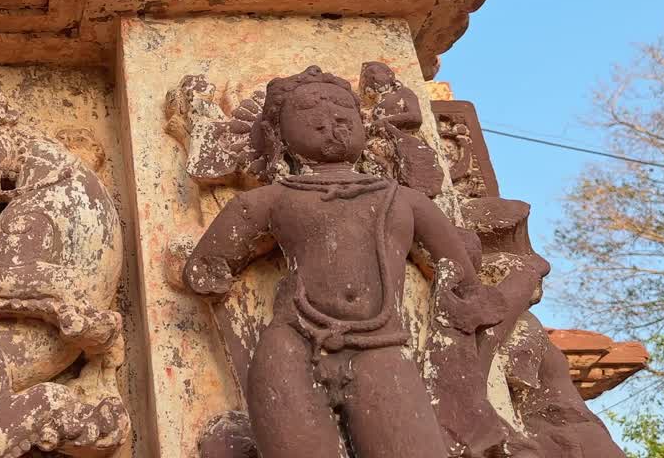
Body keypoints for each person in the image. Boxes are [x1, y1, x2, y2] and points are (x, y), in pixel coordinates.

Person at [183, 66, 499, 458]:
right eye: (309, 107)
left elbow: (461, 274)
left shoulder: (403, 200)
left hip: (381, 346)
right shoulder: (273, 199)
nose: (328, 115)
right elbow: (205, 267)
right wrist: (209, 270)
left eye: (341, 105)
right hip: (293, 345)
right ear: (277, 134)